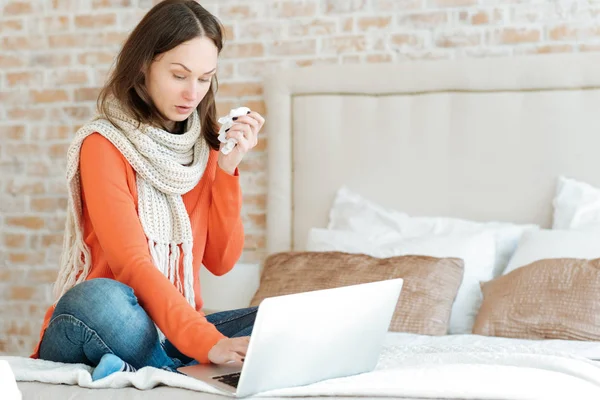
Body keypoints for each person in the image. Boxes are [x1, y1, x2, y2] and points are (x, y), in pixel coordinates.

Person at [30, 0, 264, 381]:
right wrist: (209, 343)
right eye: (178, 75)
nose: (192, 93)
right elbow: (131, 265)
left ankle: (146, 368)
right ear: (144, 65)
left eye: (204, 79)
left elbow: (221, 260)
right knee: (101, 298)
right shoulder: (103, 144)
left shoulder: (205, 149)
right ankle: (180, 371)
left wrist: (226, 170)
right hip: (100, 321)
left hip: (167, 331)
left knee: (277, 320)